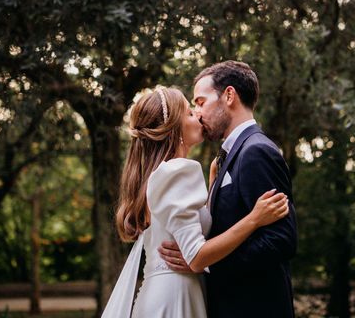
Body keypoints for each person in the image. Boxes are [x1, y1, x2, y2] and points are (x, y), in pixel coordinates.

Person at [101, 86, 289, 318]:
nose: (198, 115)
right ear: (175, 129)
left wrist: (212, 191)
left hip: (162, 292)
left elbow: (185, 227)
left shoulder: (161, 173)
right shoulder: (179, 170)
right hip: (175, 298)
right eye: (190, 112)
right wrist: (254, 219)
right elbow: (197, 257)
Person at [158, 61, 298, 318]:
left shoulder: (256, 151)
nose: (197, 113)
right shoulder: (227, 158)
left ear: (229, 95)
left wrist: (206, 264)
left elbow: (281, 241)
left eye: (200, 102)